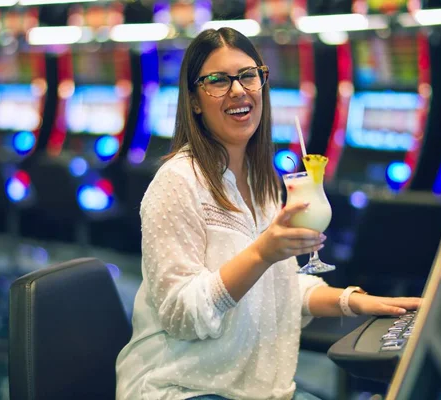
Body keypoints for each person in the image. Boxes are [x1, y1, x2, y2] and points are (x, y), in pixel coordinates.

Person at [115, 27, 421, 400]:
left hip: (253, 388)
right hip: (182, 387)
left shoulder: (262, 183)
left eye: (247, 76)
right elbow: (181, 315)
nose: (239, 90)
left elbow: (278, 287)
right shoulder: (177, 182)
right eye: (217, 81)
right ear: (194, 100)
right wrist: (261, 254)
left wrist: (355, 301)